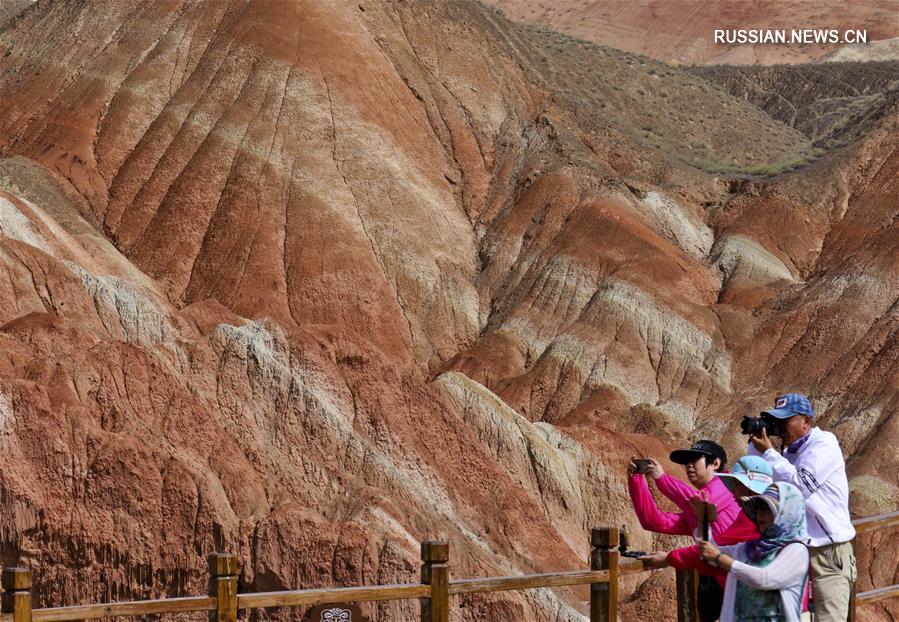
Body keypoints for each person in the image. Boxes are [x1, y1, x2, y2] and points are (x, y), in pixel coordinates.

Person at [747, 393, 856, 621]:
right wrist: (756, 448)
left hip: (828, 550)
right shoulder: (787, 454)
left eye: (785, 420)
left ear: (806, 421)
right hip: (796, 549)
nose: (781, 427)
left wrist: (768, 453)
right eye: (777, 421)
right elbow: (760, 480)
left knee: (829, 618)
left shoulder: (824, 443)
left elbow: (800, 486)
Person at [628, 440, 740, 622]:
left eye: (695, 459)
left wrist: (661, 478)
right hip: (715, 580)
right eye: (686, 462)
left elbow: (699, 503)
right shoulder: (693, 513)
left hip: (741, 581)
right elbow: (654, 521)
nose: (689, 465)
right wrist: (636, 480)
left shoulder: (727, 486)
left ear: (716, 463)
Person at [698, 482, 810, 622]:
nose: (760, 514)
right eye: (759, 509)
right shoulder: (750, 549)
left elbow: (766, 579)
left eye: (768, 509)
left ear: (786, 514)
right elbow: (708, 553)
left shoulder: (797, 551)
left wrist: (722, 559)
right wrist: (703, 520)